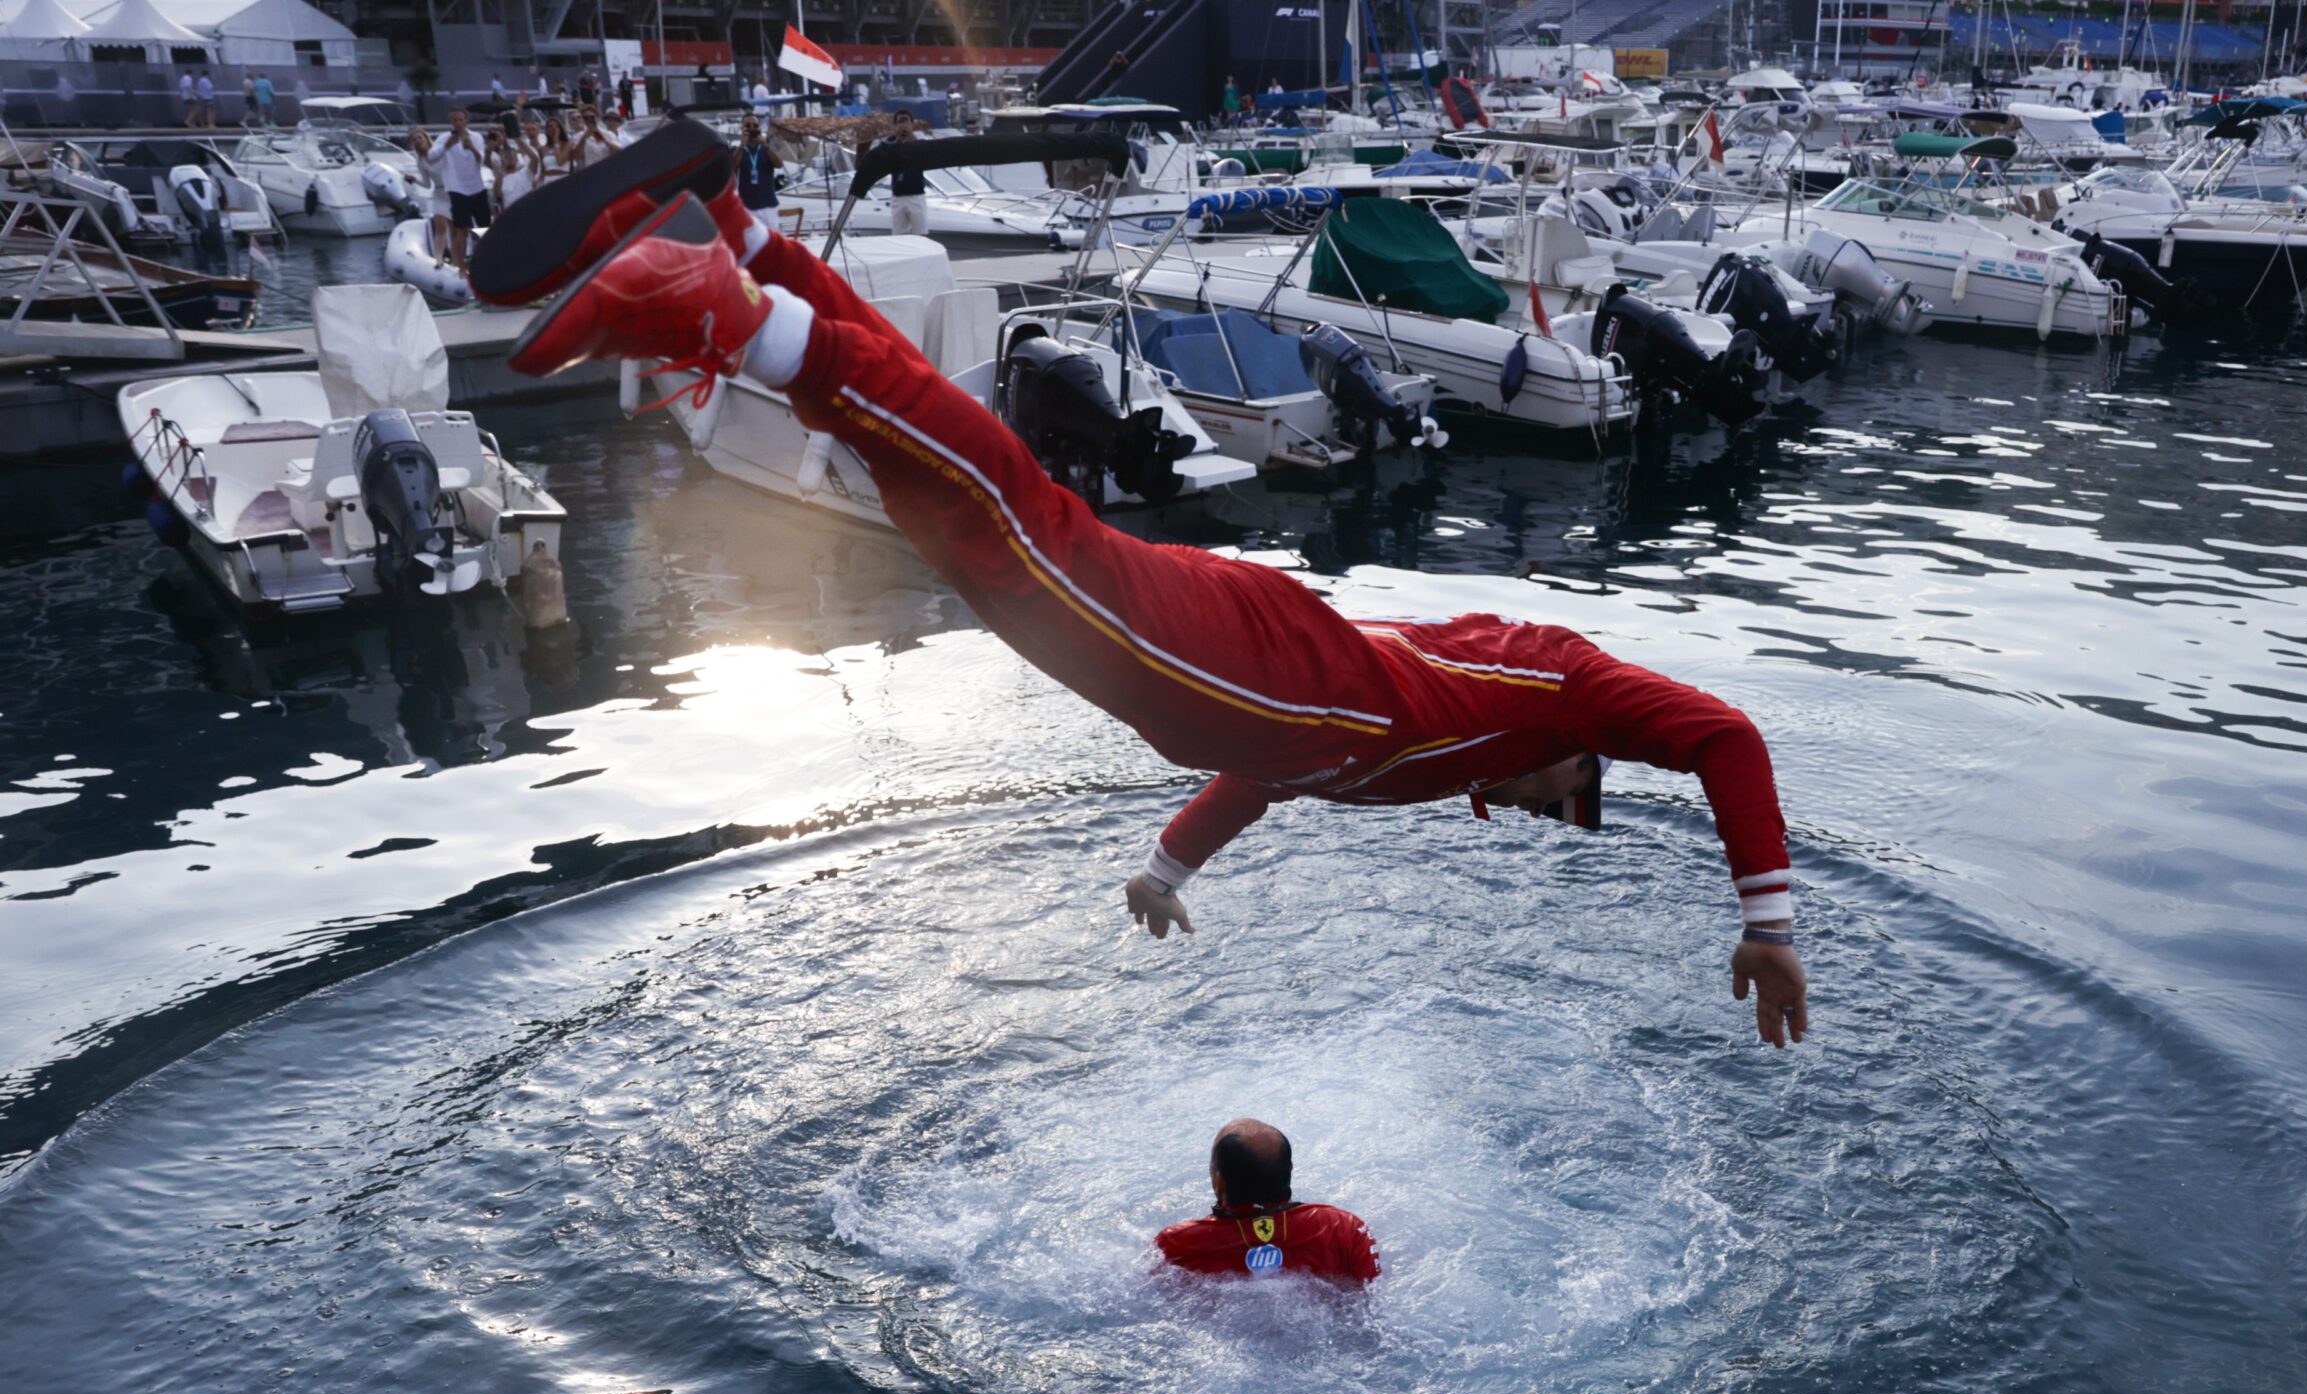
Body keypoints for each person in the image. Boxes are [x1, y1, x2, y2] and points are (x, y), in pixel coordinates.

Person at [480, 145, 1810, 1048]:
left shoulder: (1449, 738)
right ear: (1575, 757)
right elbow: (1723, 737)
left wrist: (1168, 863)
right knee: (1013, 528)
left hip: (1255, 689)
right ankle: (724, 312)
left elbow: (1271, 771)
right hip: (1270, 669)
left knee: (959, 527)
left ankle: (744, 242)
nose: (1542, 813)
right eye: (1570, 799)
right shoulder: (1552, 688)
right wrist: (1767, 926)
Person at [1155, 1120, 1379, 1285]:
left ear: (1218, 1180)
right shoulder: (1345, 1229)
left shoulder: (1176, 1245)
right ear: (1289, 1170)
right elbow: (1371, 1300)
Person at [424, 109, 491, 268]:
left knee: (482, 228)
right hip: (456, 189)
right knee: (461, 229)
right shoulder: (444, 138)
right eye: (454, 120)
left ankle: (481, 261)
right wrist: (447, 146)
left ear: (466, 121)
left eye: (460, 120)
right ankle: (461, 268)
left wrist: (473, 148)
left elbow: (481, 161)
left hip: (476, 187)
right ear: (451, 122)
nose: (458, 123)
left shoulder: (476, 137)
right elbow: (431, 156)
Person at [733, 113, 782, 230]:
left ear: (759, 128)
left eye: (755, 126)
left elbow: (779, 164)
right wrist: (741, 145)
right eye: (748, 126)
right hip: (747, 205)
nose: (752, 129)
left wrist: (765, 145)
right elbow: (732, 166)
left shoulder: (766, 147)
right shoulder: (738, 149)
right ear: (742, 129)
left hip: (768, 204)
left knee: (772, 242)